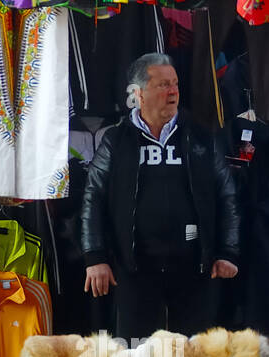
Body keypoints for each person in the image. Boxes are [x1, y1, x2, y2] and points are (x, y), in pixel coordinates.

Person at [80, 53, 240, 341]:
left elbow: (227, 195)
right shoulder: (116, 141)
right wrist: (95, 257)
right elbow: (93, 198)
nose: (173, 91)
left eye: (175, 84)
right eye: (164, 84)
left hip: (193, 271)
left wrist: (227, 251)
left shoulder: (200, 138)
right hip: (135, 270)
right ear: (139, 94)